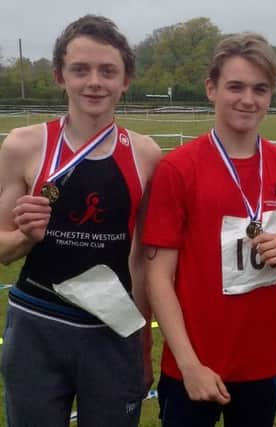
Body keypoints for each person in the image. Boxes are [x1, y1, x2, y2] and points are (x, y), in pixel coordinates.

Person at [142, 33, 276, 427]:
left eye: (260, 89)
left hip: (263, 365)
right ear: (211, 89)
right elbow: (158, 277)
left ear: (271, 94)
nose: (247, 99)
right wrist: (189, 364)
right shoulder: (178, 169)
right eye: (235, 86)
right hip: (192, 367)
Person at [0, 15, 160, 427]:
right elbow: (1, 248)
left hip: (112, 329)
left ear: (126, 80)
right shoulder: (23, 145)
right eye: (80, 70)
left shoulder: (145, 155)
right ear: (59, 76)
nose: (95, 82)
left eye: (108, 71)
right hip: (37, 324)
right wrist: (23, 238)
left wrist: (142, 340)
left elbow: (143, 257)